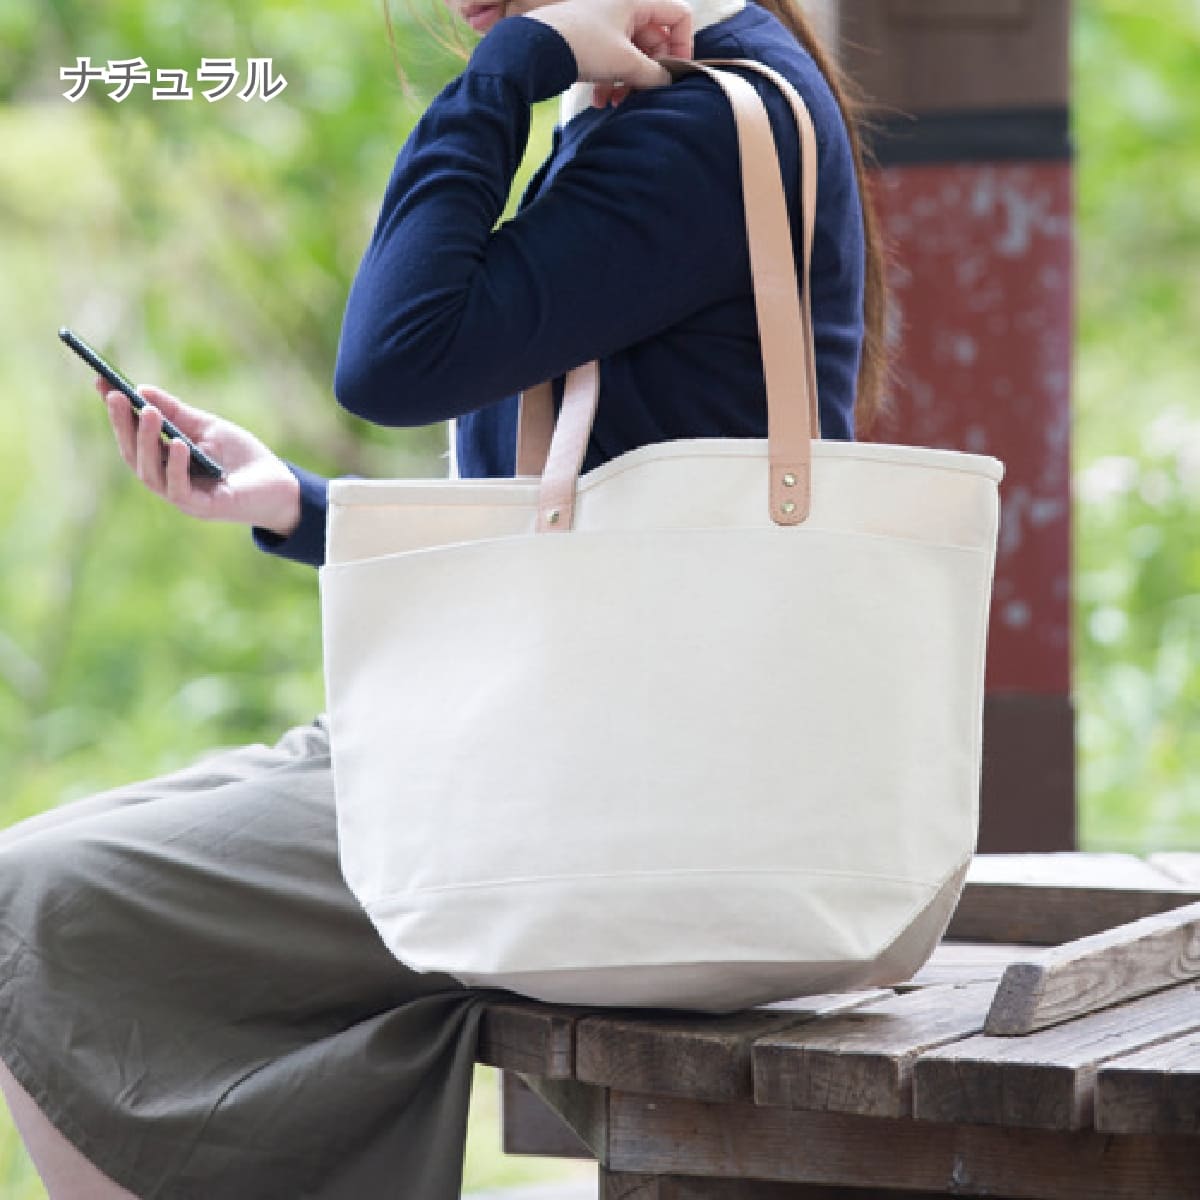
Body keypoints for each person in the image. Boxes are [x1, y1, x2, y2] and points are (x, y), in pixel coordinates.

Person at [0, 0, 885, 1194]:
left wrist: (516, 63)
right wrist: (299, 506)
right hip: (560, 746)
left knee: (33, 905)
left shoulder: (702, 126)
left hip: (615, 798)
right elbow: (577, 497)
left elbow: (391, 359)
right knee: (33, 885)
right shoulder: (661, 98)